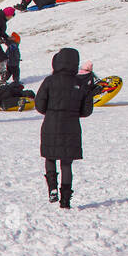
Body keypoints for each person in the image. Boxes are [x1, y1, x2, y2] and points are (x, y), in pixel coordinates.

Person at [34, 47, 95, 208]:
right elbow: (86, 111)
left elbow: (40, 106)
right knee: (66, 163)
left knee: (50, 157)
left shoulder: (49, 81)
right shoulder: (80, 83)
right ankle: (66, 200)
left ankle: (52, 188)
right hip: (72, 127)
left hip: (51, 124)